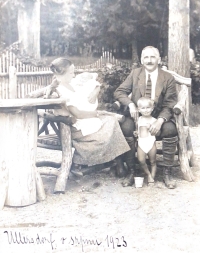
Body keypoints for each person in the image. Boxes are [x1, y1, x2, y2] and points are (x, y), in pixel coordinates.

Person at [49, 57, 130, 177]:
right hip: (74, 126)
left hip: (83, 120)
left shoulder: (71, 83)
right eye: (71, 73)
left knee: (111, 121)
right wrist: (97, 114)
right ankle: (118, 163)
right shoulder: (60, 91)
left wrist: (96, 90)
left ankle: (118, 163)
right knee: (112, 122)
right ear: (62, 73)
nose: (73, 75)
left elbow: (92, 78)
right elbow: (77, 114)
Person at [114, 46, 178, 189]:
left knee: (170, 129)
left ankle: (167, 172)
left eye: (152, 57)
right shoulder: (135, 74)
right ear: (142, 60)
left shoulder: (167, 77)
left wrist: (160, 120)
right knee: (126, 127)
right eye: (146, 57)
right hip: (138, 117)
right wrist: (130, 104)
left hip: (159, 115)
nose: (149, 61)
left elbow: (170, 103)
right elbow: (119, 92)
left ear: (159, 60)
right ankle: (132, 171)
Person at [135, 97, 159, 185]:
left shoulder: (154, 120)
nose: (145, 110)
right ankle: (148, 174)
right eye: (143, 108)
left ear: (152, 108)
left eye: (148, 108)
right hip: (141, 143)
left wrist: (151, 128)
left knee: (153, 161)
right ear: (139, 109)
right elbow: (138, 130)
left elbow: (158, 133)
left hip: (151, 142)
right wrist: (136, 133)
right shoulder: (139, 119)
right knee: (141, 160)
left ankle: (151, 177)